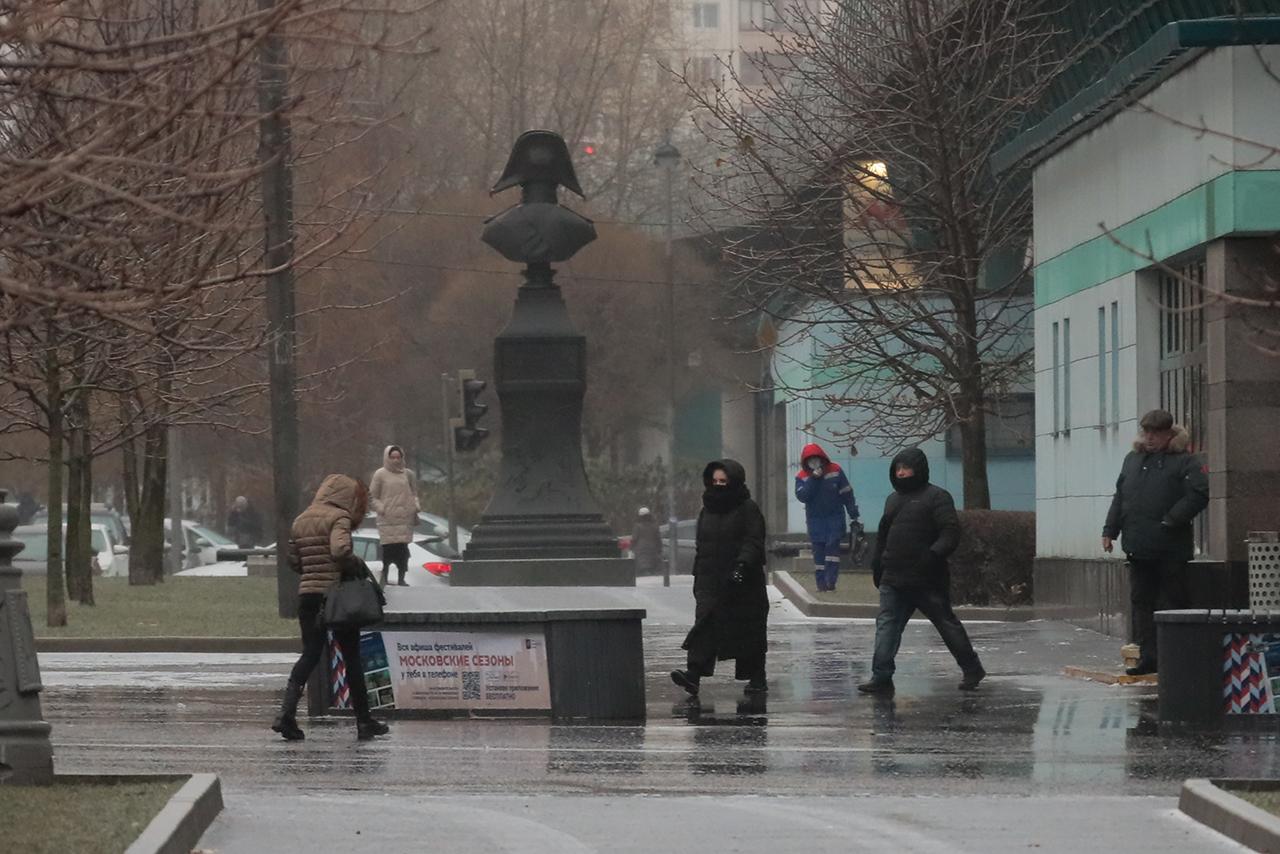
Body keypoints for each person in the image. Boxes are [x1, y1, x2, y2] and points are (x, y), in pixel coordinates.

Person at [271, 474, 389, 741]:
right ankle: (364, 720)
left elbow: (293, 560)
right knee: (351, 657)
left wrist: (312, 570)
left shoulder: (301, 519)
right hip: (336, 598)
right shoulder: (339, 517)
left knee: (310, 654)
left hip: (308, 596)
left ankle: (286, 715)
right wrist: (354, 561)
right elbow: (340, 550)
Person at [859, 448, 985, 695]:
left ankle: (972, 668)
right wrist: (877, 564)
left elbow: (950, 532)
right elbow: (883, 536)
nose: (902, 473)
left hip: (928, 578)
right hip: (893, 577)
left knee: (946, 624)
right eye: (898, 468)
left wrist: (932, 556)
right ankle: (881, 677)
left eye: (906, 468)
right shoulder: (892, 500)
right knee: (887, 626)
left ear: (919, 469)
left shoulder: (938, 497)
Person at [1103, 409, 1209, 676]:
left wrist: (1171, 520)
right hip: (1138, 546)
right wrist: (1110, 530)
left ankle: (1177, 657)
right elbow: (1120, 497)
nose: (1150, 438)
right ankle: (1148, 657)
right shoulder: (1133, 460)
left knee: (1173, 601)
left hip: (1171, 548)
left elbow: (1199, 493)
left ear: (1168, 434)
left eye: (1156, 433)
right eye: (1146, 432)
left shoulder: (1185, 461)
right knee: (1141, 602)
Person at [671, 459, 769, 697]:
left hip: (743, 583)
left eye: (723, 481)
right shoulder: (706, 510)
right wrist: (698, 578)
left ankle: (757, 676)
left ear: (733, 481)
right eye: (714, 481)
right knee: (704, 627)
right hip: (710, 581)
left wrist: (742, 566)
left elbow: (753, 541)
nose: (718, 485)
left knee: (747, 630)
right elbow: (701, 546)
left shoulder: (748, 508)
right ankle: (693, 675)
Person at [794, 442, 859, 592]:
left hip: (834, 517)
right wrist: (813, 479)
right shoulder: (802, 477)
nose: (815, 463)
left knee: (832, 549)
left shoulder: (835, 470)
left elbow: (846, 493)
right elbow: (803, 496)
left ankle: (830, 581)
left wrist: (853, 512)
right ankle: (821, 583)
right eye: (811, 460)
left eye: (816, 459)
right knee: (819, 552)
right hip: (815, 520)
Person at [369, 445, 419, 587]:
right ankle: (384, 578)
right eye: (393, 457)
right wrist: (381, 508)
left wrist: (415, 505)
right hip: (387, 520)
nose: (396, 460)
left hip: (404, 519)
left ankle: (401, 578)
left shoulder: (408, 474)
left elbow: (414, 492)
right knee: (388, 552)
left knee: (403, 552)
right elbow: (372, 496)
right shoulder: (380, 474)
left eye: (398, 457)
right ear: (387, 457)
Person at [631, 507, 663, 576]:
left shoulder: (637, 526)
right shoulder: (654, 526)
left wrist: (632, 548)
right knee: (652, 569)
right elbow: (658, 539)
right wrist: (659, 549)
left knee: (643, 569)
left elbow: (634, 539)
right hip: (653, 549)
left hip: (641, 550)